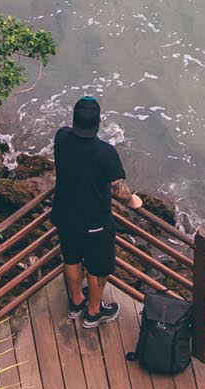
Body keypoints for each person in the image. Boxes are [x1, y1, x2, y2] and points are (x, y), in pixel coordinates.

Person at [52, 95, 141, 324]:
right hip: (94, 223)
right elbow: (119, 190)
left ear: (73, 120)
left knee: (71, 258)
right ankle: (93, 312)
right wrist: (134, 202)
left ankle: (76, 301)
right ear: (99, 122)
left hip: (64, 214)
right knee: (97, 268)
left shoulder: (61, 137)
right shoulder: (105, 153)